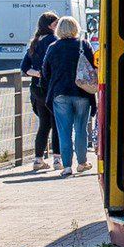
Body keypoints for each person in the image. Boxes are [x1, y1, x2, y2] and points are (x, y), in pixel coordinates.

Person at [40, 15, 97, 177]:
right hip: (82, 92)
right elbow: (93, 66)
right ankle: (82, 162)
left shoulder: (53, 47)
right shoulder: (83, 45)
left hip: (60, 94)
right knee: (81, 129)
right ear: (75, 28)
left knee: (63, 130)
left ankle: (66, 166)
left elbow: (45, 71)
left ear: (59, 30)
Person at [21, 11, 60, 170]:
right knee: (56, 124)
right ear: (50, 25)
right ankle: (57, 159)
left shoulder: (34, 42)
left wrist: (37, 73)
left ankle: (38, 159)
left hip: (37, 89)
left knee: (44, 124)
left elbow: (24, 67)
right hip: (52, 88)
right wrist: (45, 74)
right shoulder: (54, 41)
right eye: (56, 24)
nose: (57, 27)